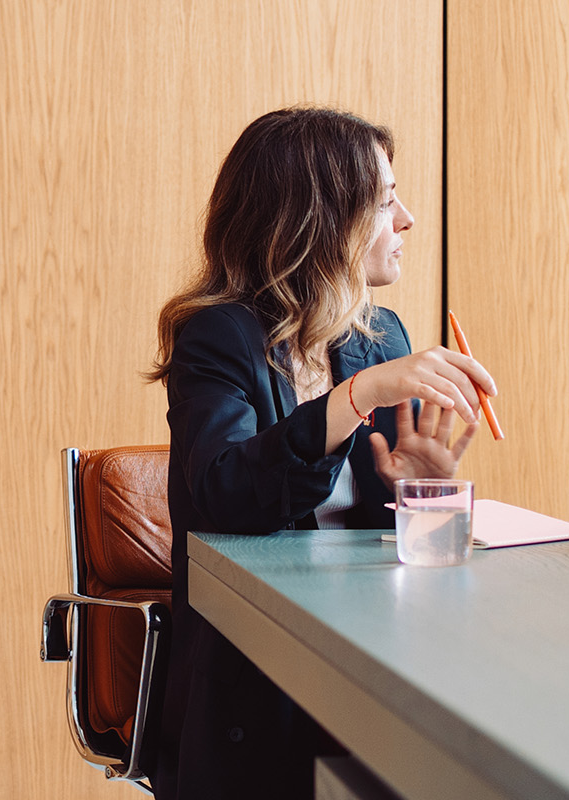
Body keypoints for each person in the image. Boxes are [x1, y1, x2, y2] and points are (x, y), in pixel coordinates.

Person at [147, 107, 498, 798]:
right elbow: (227, 495)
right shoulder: (218, 337)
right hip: (256, 673)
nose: (407, 220)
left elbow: (380, 546)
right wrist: (356, 396)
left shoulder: (378, 335)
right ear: (319, 220)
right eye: (385, 202)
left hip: (370, 648)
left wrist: (417, 495)